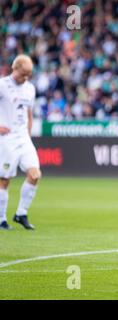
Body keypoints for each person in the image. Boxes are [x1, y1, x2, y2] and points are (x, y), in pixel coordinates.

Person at [0, 54, 41, 231]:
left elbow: (29, 114)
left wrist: (28, 135)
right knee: (4, 180)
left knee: (35, 174)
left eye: (28, 75)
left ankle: (21, 213)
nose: (25, 78)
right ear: (14, 68)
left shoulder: (30, 88)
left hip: (23, 138)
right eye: (23, 74)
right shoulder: (2, 85)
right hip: (6, 139)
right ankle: (1, 218)